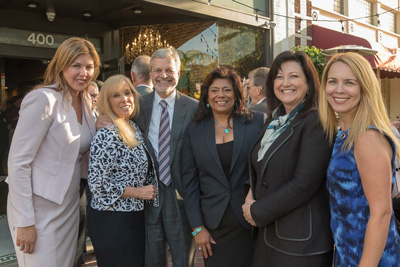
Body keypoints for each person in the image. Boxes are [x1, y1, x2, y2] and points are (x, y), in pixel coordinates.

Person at [96, 47, 197, 267]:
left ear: (179, 72)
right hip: (146, 198)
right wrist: (102, 119)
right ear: (150, 72)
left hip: (180, 198)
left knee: (183, 260)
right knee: (151, 259)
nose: (163, 75)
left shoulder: (194, 109)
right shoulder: (138, 105)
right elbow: (117, 121)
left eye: (169, 70)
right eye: (157, 70)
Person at [6, 37, 99, 267]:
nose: (83, 73)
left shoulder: (86, 100)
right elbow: (18, 163)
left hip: (69, 206)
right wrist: (25, 221)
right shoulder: (43, 98)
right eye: (76, 66)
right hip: (38, 211)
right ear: (61, 66)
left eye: (89, 67)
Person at [242, 50, 334, 267]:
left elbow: (304, 184)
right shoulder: (276, 120)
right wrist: (250, 193)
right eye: (279, 76)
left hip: (300, 244)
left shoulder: (316, 121)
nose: (285, 83)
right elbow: (261, 166)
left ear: (309, 83)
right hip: (269, 236)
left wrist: (256, 211)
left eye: (294, 76)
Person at [319, 52, 400, 266]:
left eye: (349, 83)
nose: (338, 89)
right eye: (332, 81)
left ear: (365, 88)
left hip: (370, 258)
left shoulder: (367, 137)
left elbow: (382, 212)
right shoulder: (344, 134)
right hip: (348, 254)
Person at [181, 67, 265, 266]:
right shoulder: (194, 130)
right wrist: (197, 228)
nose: (221, 95)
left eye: (227, 89)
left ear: (236, 93)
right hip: (213, 230)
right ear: (207, 96)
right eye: (215, 90)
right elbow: (189, 183)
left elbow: (265, 170)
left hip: (252, 224)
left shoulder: (257, 122)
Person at [87, 74, 158, 267]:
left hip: (132, 217)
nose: (124, 99)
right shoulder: (107, 133)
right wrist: (138, 192)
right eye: (116, 95)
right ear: (107, 102)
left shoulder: (132, 126)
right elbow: (97, 184)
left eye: (127, 93)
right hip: (112, 221)